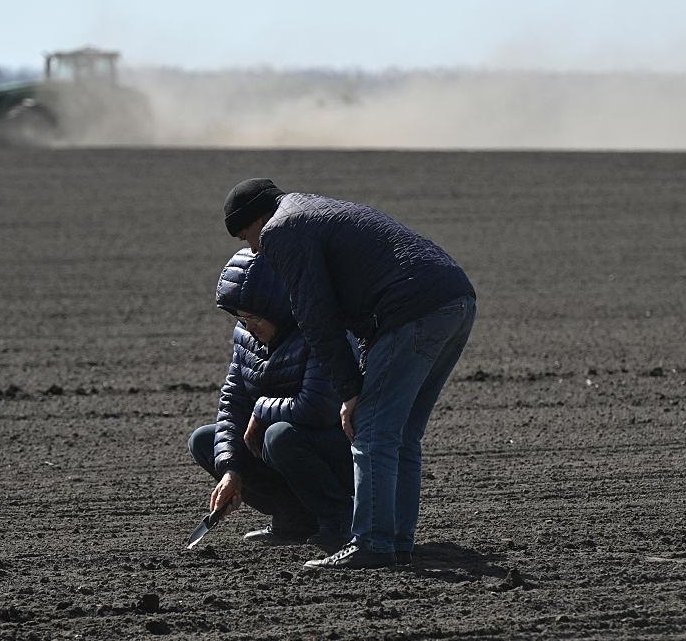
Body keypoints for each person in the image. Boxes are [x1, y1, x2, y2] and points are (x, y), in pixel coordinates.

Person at [221, 178, 477, 570]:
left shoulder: (281, 230)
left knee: (371, 431)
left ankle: (372, 544)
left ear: (258, 218)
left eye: (246, 235)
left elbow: (316, 317)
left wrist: (349, 391)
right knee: (403, 434)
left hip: (410, 311)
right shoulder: (314, 209)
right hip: (454, 300)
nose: (254, 249)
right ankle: (397, 543)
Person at [187, 248, 357, 553]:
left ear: (279, 306)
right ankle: (293, 519)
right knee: (204, 440)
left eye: (255, 317)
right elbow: (232, 404)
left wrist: (261, 410)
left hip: (338, 452)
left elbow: (318, 408)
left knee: (278, 435)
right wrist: (231, 470)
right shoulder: (246, 337)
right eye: (241, 318)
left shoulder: (319, 332)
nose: (248, 326)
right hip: (284, 445)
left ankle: (339, 520)